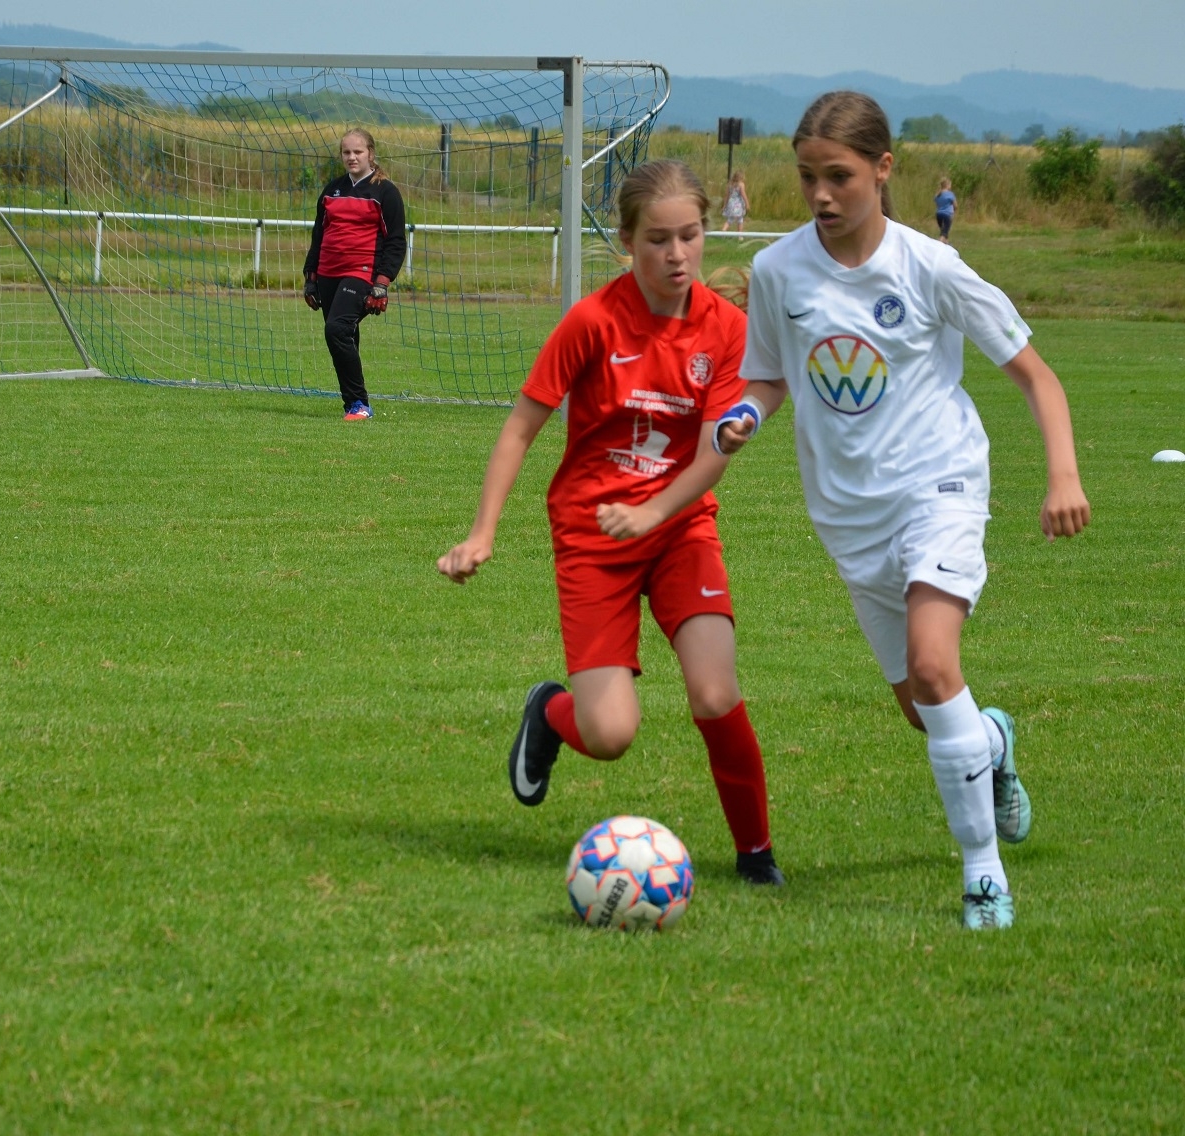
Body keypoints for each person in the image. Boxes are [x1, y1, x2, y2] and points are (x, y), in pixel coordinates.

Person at [716, 91, 1091, 928]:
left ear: (883, 169)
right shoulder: (777, 271)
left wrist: (1062, 475)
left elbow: (1037, 377)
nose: (821, 194)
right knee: (925, 710)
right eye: (807, 176)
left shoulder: (930, 267)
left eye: (839, 176)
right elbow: (768, 375)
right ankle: (992, 741)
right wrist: (744, 414)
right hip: (849, 517)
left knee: (932, 664)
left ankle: (984, 877)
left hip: (939, 486)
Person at [437, 159, 784, 887]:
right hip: (593, 536)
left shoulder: (727, 331)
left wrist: (657, 509)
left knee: (715, 691)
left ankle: (756, 856)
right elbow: (519, 429)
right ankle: (549, 712)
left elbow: (713, 455)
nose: (677, 254)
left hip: (680, 527)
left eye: (690, 235)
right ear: (627, 241)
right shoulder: (592, 321)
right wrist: (482, 532)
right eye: (658, 239)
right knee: (610, 733)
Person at [302, 128, 406, 420]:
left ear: (371, 153)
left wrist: (382, 283)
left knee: (336, 329)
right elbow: (319, 236)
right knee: (345, 335)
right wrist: (310, 277)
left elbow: (396, 241)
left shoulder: (385, 192)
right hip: (328, 274)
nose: (352, 157)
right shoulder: (332, 190)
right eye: (346, 152)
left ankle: (359, 403)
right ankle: (353, 405)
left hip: (362, 273)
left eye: (358, 152)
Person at [934, 176, 957, 243]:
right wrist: (954, 211)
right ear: (947, 185)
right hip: (947, 215)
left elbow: (937, 203)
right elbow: (955, 205)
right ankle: (939, 243)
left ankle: (946, 243)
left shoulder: (938, 194)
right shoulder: (950, 194)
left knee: (943, 231)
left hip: (938, 215)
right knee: (944, 232)